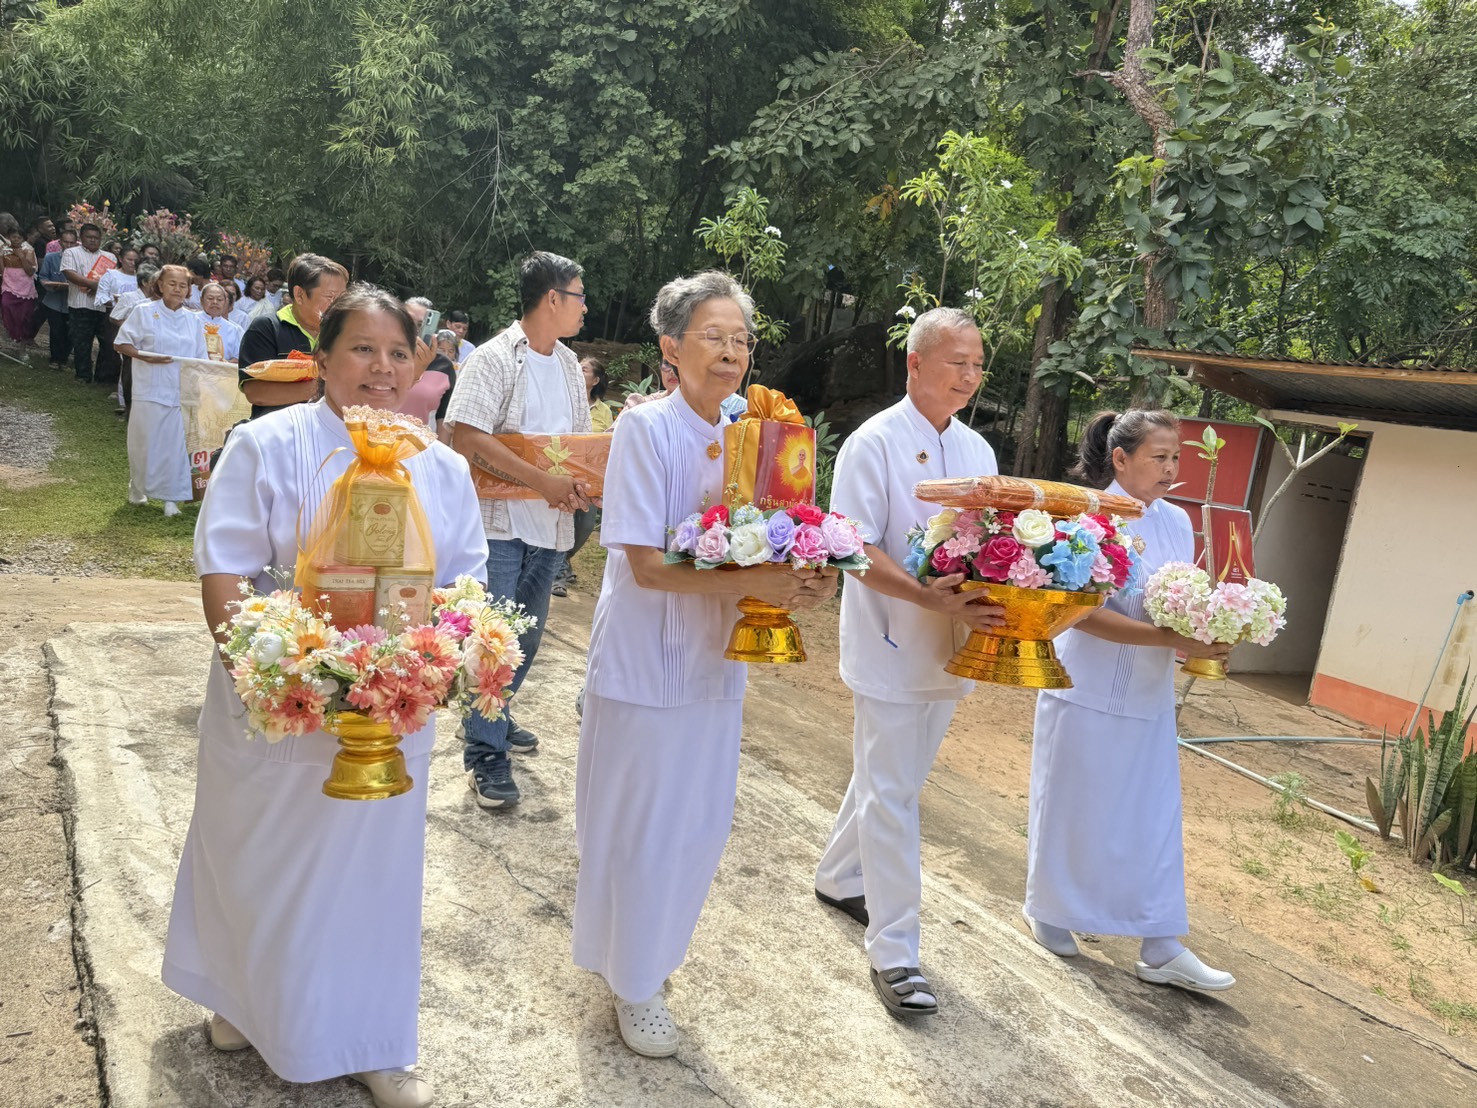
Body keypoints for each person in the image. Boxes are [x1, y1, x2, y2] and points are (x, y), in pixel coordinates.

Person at [161, 285, 485, 1108]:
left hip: (389, 712)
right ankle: (241, 1001)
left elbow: (465, 583)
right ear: (324, 358)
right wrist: (266, 672)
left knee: (371, 876)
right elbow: (226, 567)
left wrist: (430, 664)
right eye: (361, 350)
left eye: (397, 353)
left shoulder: (441, 468)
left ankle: (372, 1041)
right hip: (279, 704)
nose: (380, 368)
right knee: (257, 859)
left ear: (419, 364)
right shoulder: (266, 446)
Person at [572, 271, 836, 1057]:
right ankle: (631, 980)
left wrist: (804, 582)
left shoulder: (759, 430)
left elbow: (775, 533)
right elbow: (646, 566)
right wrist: (759, 579)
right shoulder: (646, 430)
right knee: (637, 825)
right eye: (713, 336)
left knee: (695, 823)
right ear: (670, 347)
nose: (730, 353)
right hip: (645, 660)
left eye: (741, 340)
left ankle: (647, 955)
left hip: (718, 659)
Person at [813, 306, 1005, 1020]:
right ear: (914, 364)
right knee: (893, 794)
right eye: (955, 362)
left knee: (889, 777)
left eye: (977, 364)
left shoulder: (978, 453)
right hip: (892, 638)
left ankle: (838, 876)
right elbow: (854, 548)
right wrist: (927, 596)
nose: (969, 376)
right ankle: (894, 950)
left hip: (951, 645)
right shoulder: (873, 443)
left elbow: (992, 543)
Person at [1022, 409, 1236, 992]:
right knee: (1073, 805)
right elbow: (1082, 617)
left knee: (1152, 818)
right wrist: (1174, 638)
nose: (1171, 468)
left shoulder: (1178, 523)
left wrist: (1210, 629)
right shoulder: (1085, 519)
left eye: (1176, 458)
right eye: (1158, 457)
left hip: (1148, 693)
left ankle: (1161, 945)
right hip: (1084, 686)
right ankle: (1048, 909)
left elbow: (1176, 603)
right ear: (1120, 460)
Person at [445, 251, 593, 808]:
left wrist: (579, 485)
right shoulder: (492, 358)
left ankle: (492, 715)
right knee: (494, 641)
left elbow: (576, 447)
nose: (585, 307)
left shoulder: (568, 366)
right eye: (579, 296)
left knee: (525, 638)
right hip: (499, 526)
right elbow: (467, 436)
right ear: (552, 299)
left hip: (550, 526)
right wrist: (542, 481)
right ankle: (485, 755)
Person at [113, 265, 203, 516]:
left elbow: (200, 358)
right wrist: (145, 357)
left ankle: (171, 499)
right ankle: (137, 488)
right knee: (144, 443)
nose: (177, 289)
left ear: (189, 290)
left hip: (180, 392)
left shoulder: (194, 320)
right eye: (172, 283)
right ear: (160, 285)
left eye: (183, 285)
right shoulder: (144, 312)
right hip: (149, 388)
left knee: (175, 445)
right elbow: (121, 343)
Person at [237, 253, 348, 420]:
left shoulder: (344, 335)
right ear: (300, 295)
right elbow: (255, 393)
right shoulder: (267, 328)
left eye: (343, 297)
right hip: (277, 435)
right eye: (330, 297)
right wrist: (323, 388)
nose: (339, 305)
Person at [551, 356, 612, 597]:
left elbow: (604, 445)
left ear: (595, 380)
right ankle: (557, 575)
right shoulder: (561, 400)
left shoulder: (604, 411)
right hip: (561, 474)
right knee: (560, 523)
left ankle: (563, 560)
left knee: (585, 526)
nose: (578, 370)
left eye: (584, 369)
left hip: (588, 479)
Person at [60, 223, 118, 383]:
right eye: (89, 237)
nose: (93, 240)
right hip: (80, 305)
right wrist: (93, 285)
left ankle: (103, 377)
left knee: (107, 342)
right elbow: (69, 273)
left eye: (96, 238)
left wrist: (99, 288)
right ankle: (83, 375)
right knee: (82, 342)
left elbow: (113, 280)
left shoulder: (109, 257)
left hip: (102, 306)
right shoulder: (71, 253)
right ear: (81, 237)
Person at [112, 263, 161, 415]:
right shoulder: (140, 305)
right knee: (129, 377)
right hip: (135, 345)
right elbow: (115, 318)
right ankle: (127, 407)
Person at [400, 301, 455, 434]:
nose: (414, 329)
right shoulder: (383, 358)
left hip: (422, 447)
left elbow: (443, 418)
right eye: (408, 321)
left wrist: (441, 453)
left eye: (421, 324)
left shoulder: (443, 366)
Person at [37, 229, 76, 367]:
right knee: (56, 330)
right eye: (66, 242)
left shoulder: (79, 259)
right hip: (53, 300)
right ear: (60, 242)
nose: (69, 245)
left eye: (72, 243)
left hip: (73, 301)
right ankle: (55, 358)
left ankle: (64, 358)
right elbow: (43, 277)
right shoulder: (51, 257)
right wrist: (50, 285)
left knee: (71, 331)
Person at [1, 214, 40, 343]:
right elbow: (2, 269)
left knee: (24, 317)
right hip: (8, 286)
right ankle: (10, 331)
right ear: (9, 237)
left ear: (23, 238)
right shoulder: (3, 250)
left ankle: (22, 345)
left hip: (25, 287)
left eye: (19, 237)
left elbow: (30, 271)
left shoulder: (28, 250)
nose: (16, 239)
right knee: (6, 306)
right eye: (13, 237)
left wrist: (20, 256)